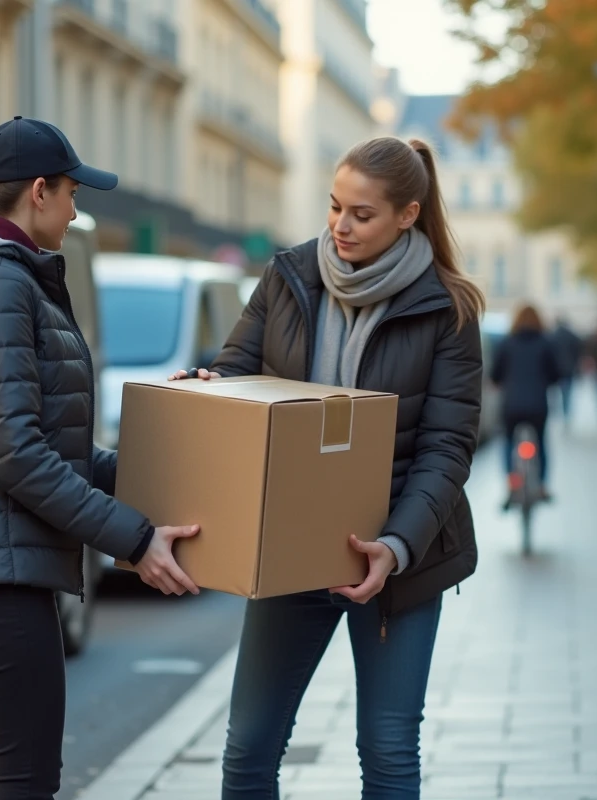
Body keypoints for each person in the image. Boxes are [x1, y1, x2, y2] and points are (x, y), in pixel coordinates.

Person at [0, 116, 199, 800]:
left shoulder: (0, 278)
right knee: (23, 783)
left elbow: (43, 443)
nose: (76, 206)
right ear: (39, 192)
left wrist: (160, 471)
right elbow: (16, 454)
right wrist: (137, 539)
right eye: (71, 192)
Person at [172, 137, 483, 799]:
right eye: (335, 207)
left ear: (408, 214)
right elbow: (238, 373)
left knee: (388, 750)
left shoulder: (447, 308)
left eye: (361, 214)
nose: (340, 226)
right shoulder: (288, 277)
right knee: (249, 749)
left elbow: (446, 447)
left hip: (398, 559)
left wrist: (395, 547)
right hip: (291, 550)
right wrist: (210, 388)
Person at [490, 304, 561, 504]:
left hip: (511, 405)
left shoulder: (506, 343)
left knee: (508, 442)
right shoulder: (546, 343)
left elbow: (495, 374)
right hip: (538, 405)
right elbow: (556, 374)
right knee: (541, 441)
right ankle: (541, 486)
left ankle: (512, 484)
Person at [550, 316, 583, 419]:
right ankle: (566, 413)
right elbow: (578, 351)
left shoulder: (552, 336)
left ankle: (556, 412)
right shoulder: (571, 336)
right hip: (569, 368)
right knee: (567, 393)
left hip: (556, 368)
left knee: (555, 392)